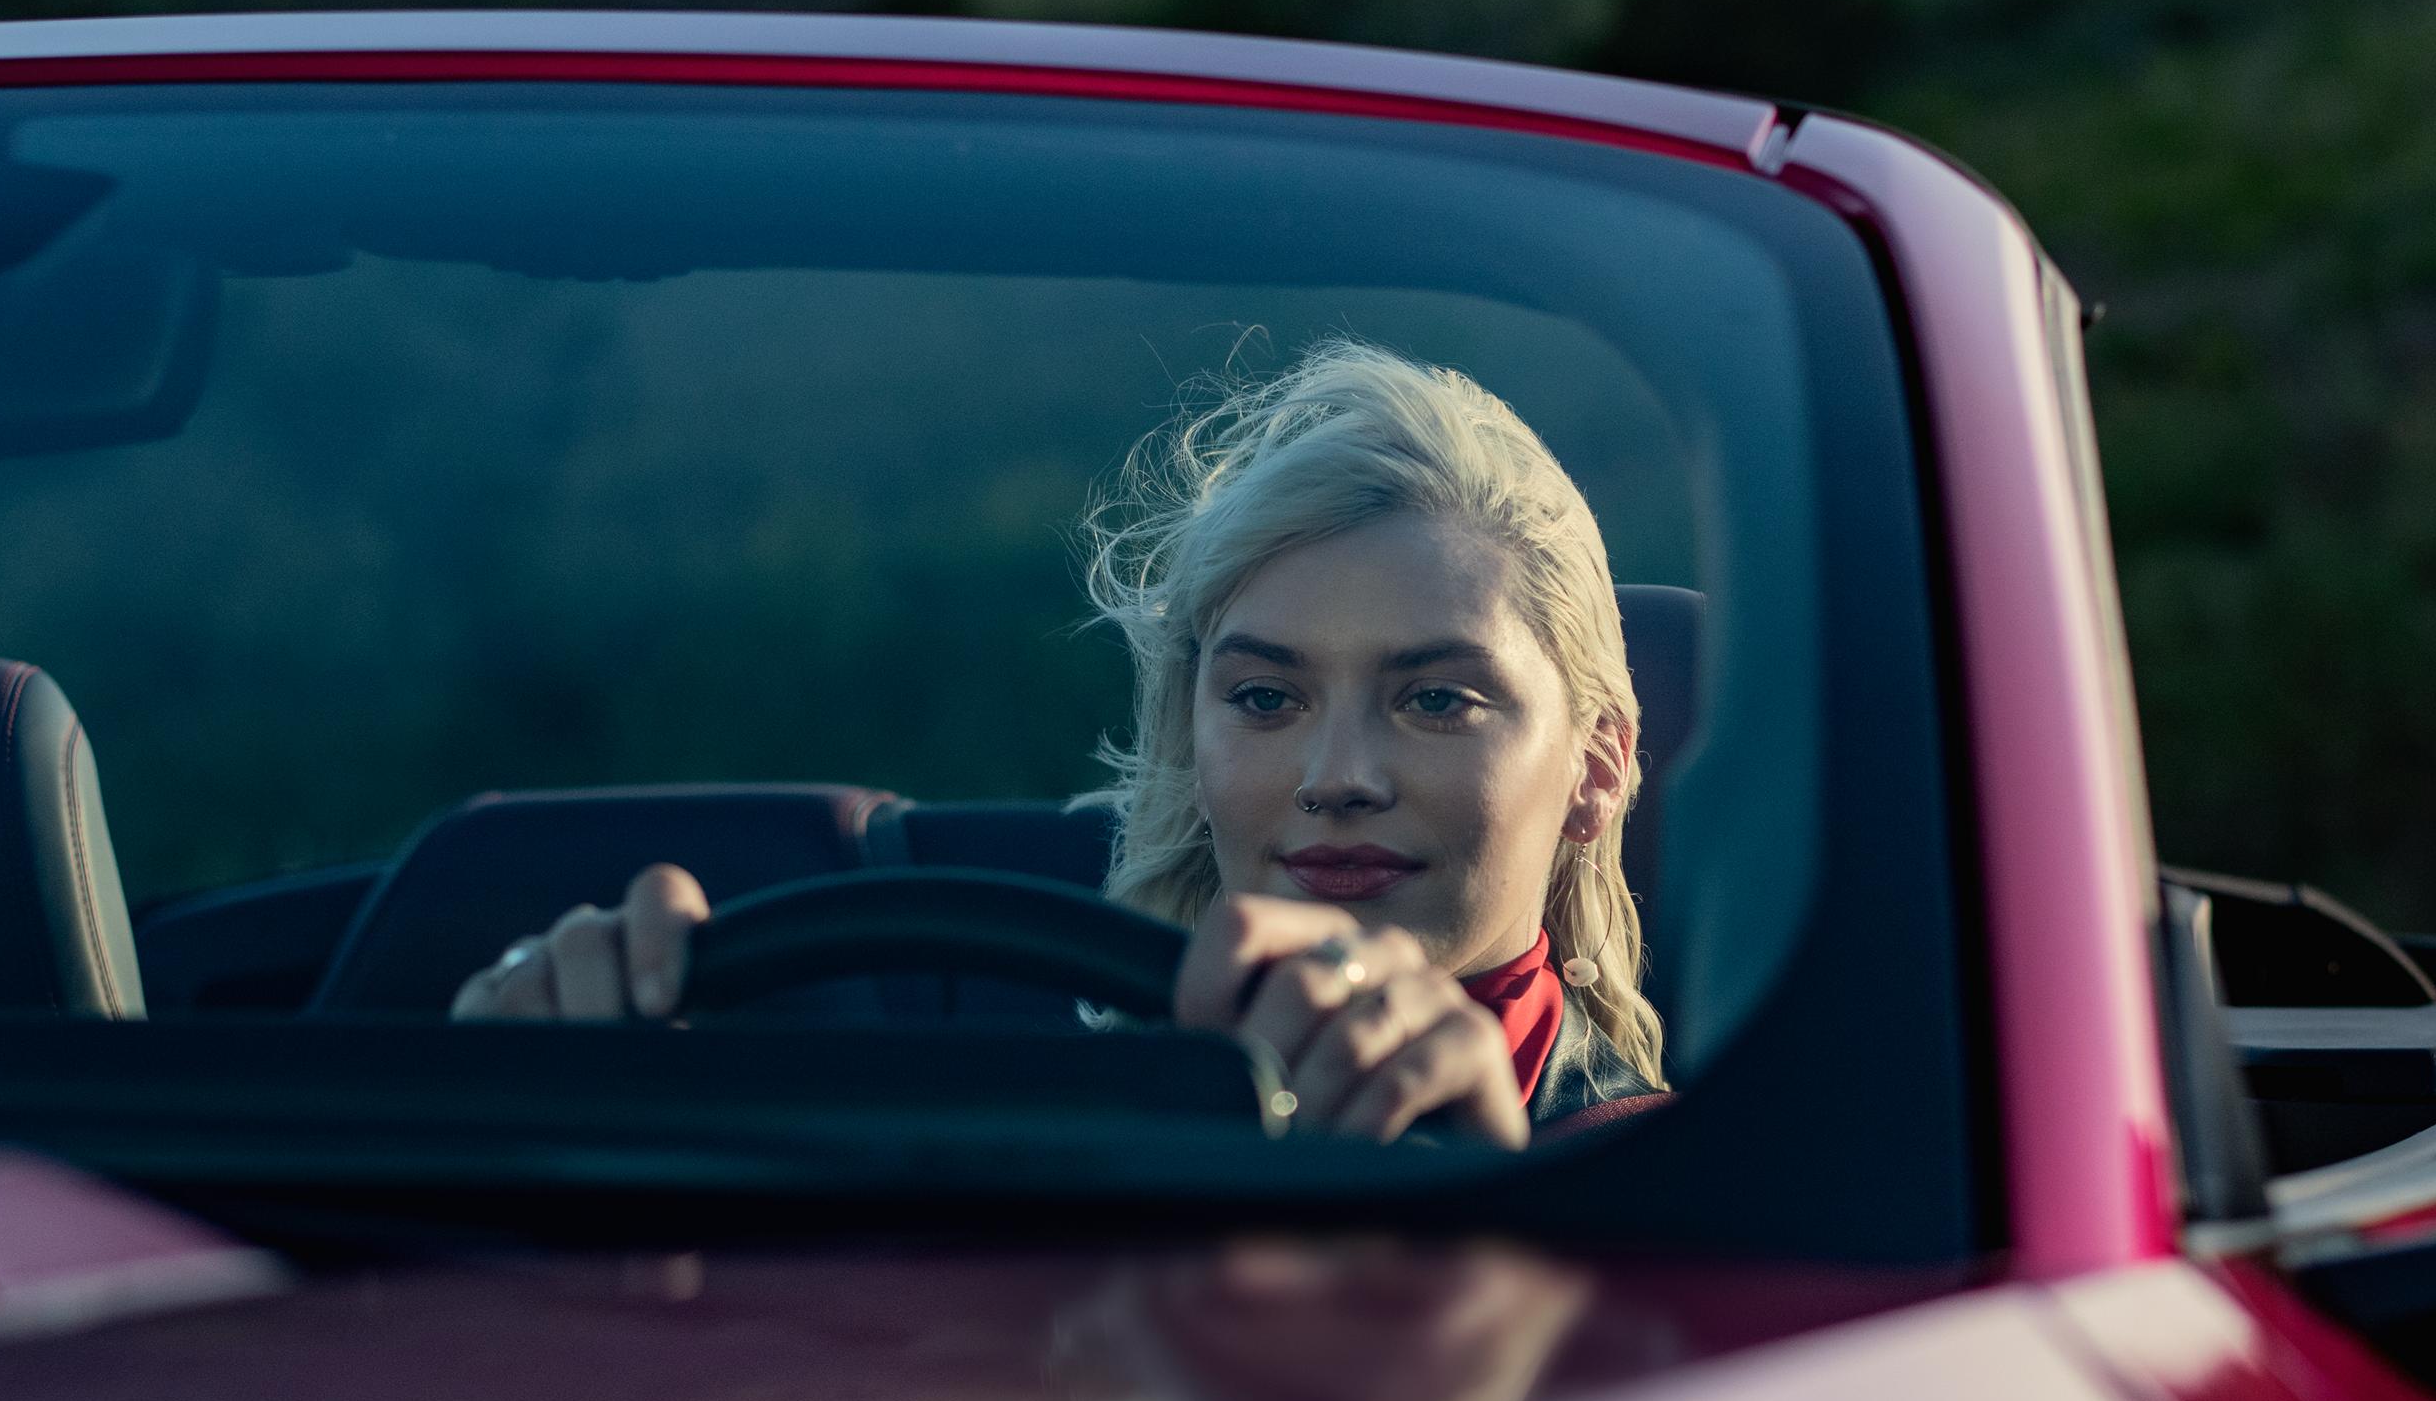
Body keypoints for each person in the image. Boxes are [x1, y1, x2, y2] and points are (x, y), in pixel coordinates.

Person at [451, 342, 1669, 1146]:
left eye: (1437, 700)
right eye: (1263, 699)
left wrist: (1500, 1212)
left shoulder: (1695, 1190)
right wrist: (585, 1125)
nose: (1336, 776)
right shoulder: (1026, 1121)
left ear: (1600, 765)